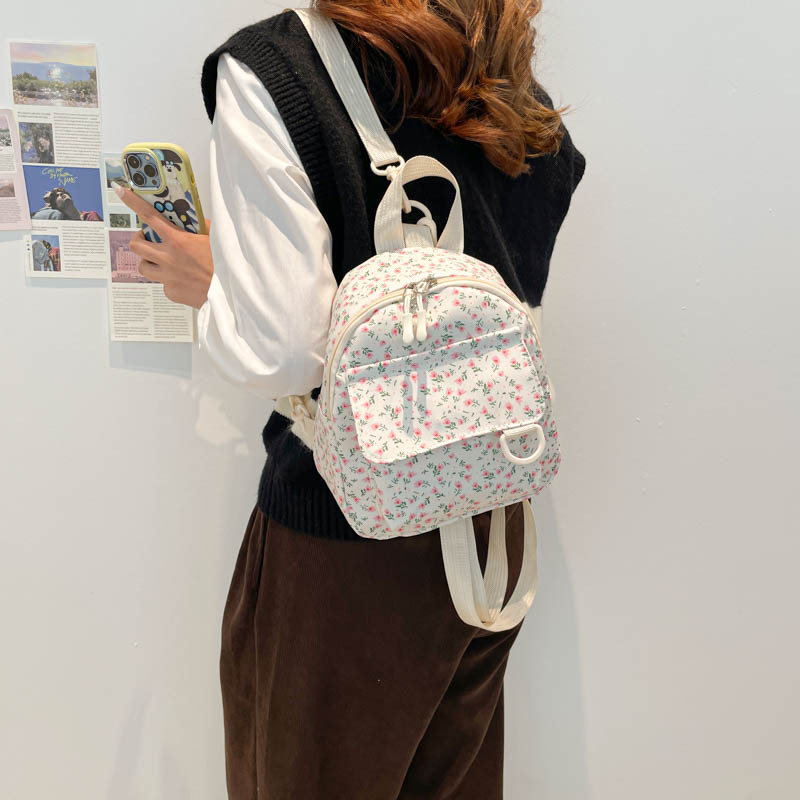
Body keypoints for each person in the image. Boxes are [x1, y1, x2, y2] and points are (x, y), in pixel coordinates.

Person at [115, 2, 586, 797]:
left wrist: (218, 285)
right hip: (489, 521)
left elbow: (281, 349)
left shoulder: (276, 67)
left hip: (345, 540)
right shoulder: (497, 64)